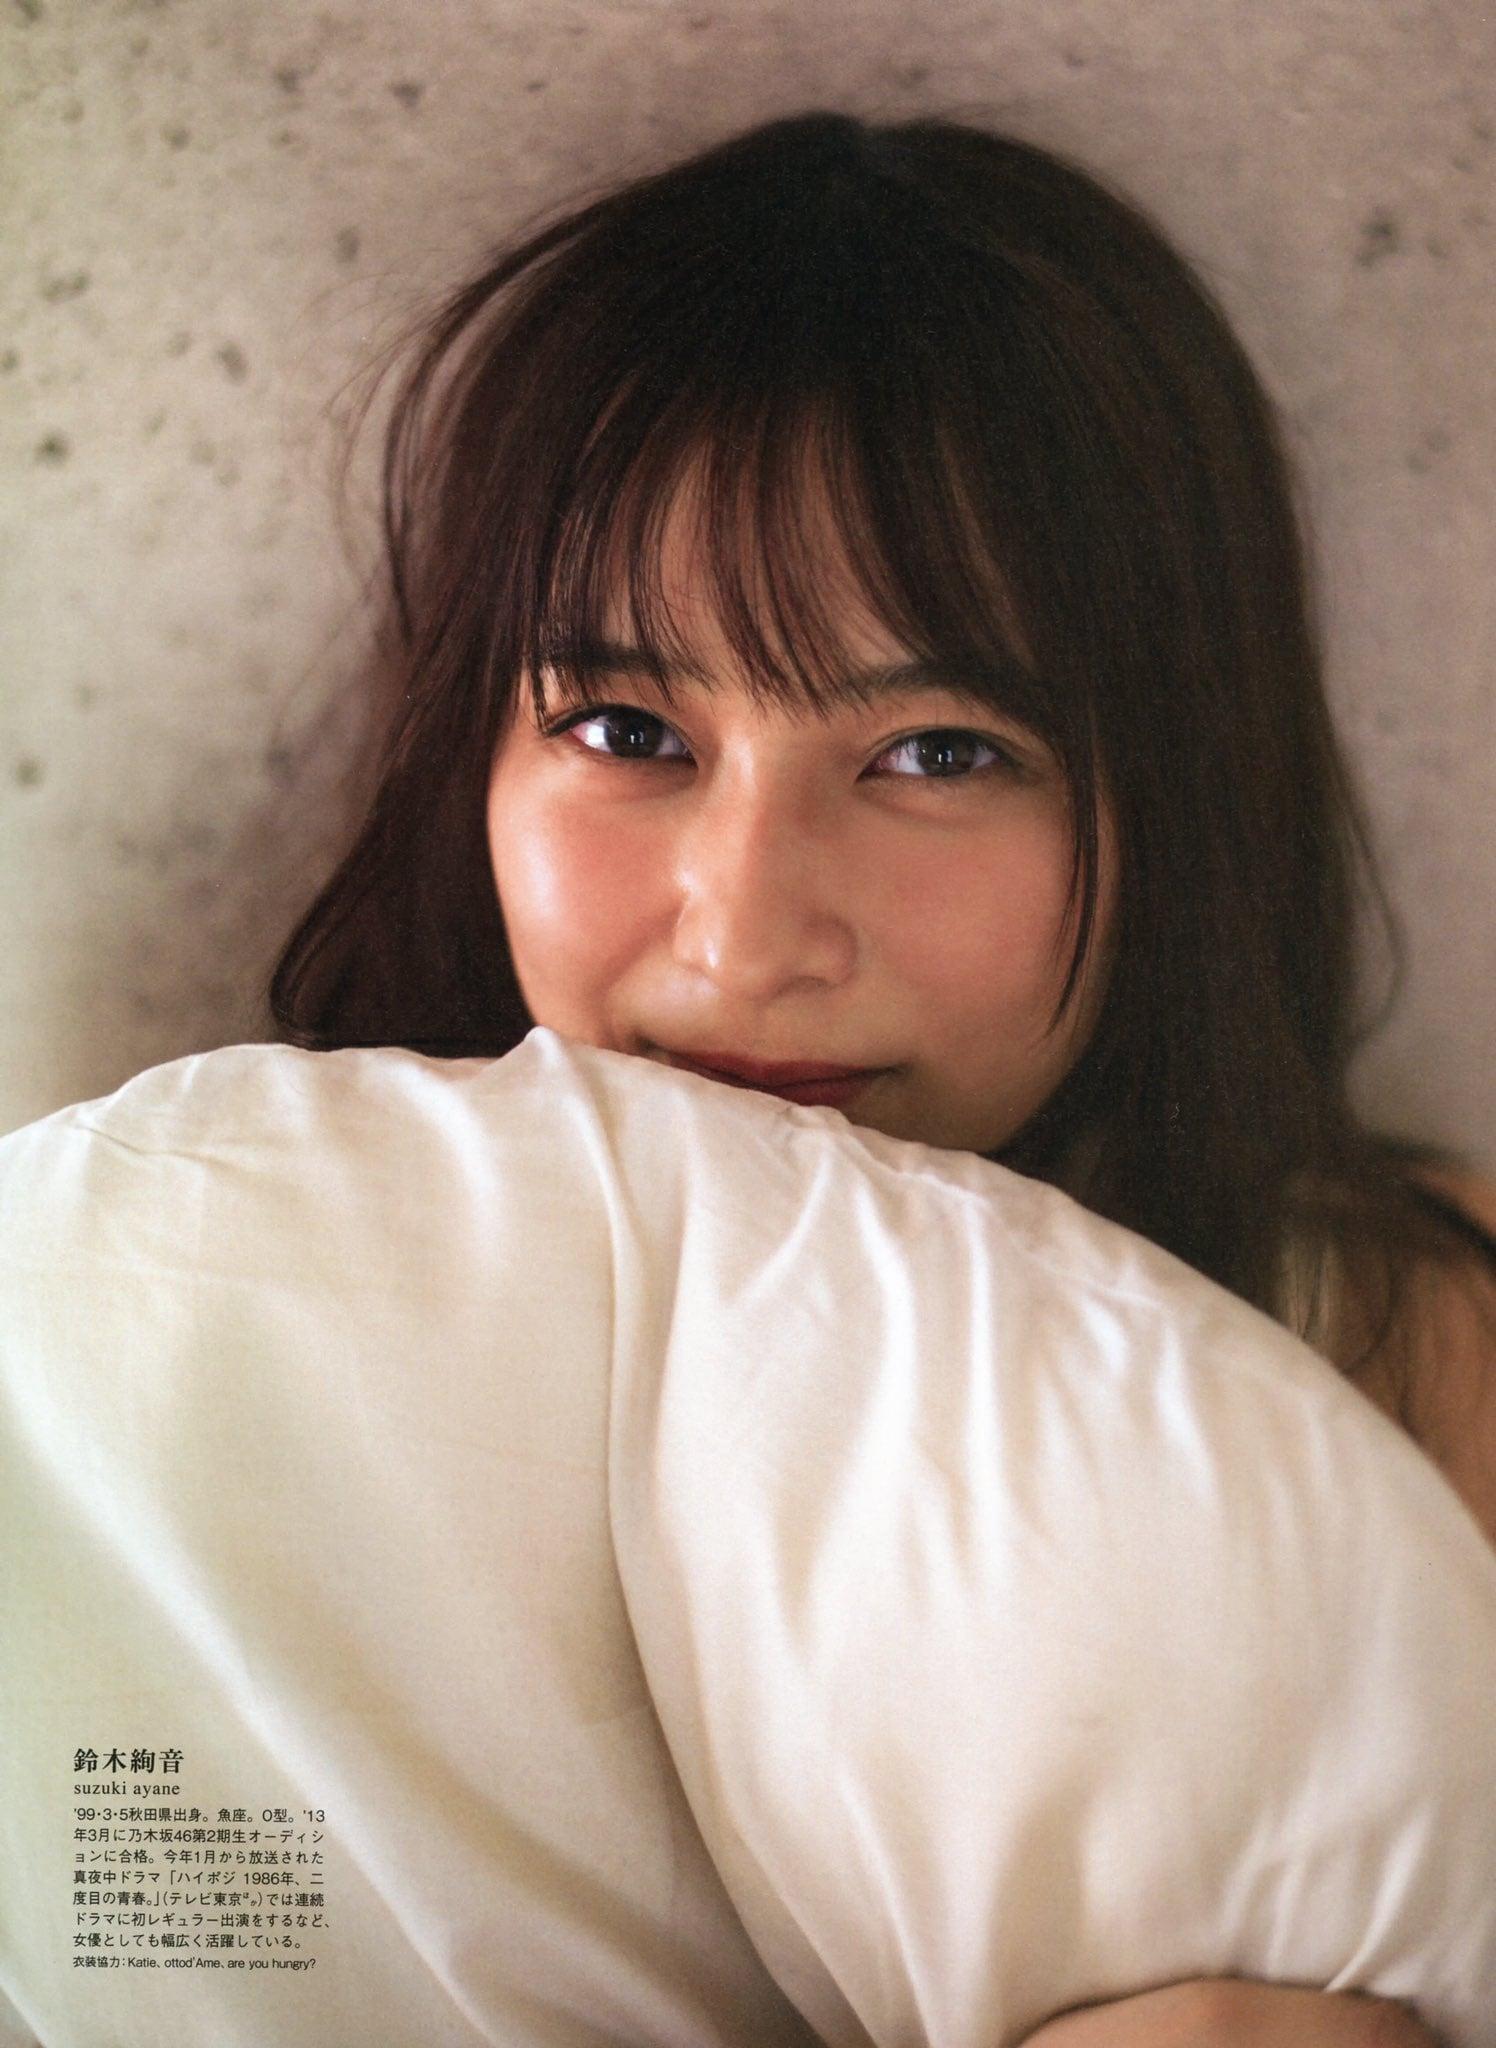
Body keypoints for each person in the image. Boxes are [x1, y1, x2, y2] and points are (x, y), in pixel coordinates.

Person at [261, 110, 1494, 2043]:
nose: (749, 933)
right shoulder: (238, 1323)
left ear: (1177, 800)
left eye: (938, 753)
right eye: (624, 728)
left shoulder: (1411, 1351)